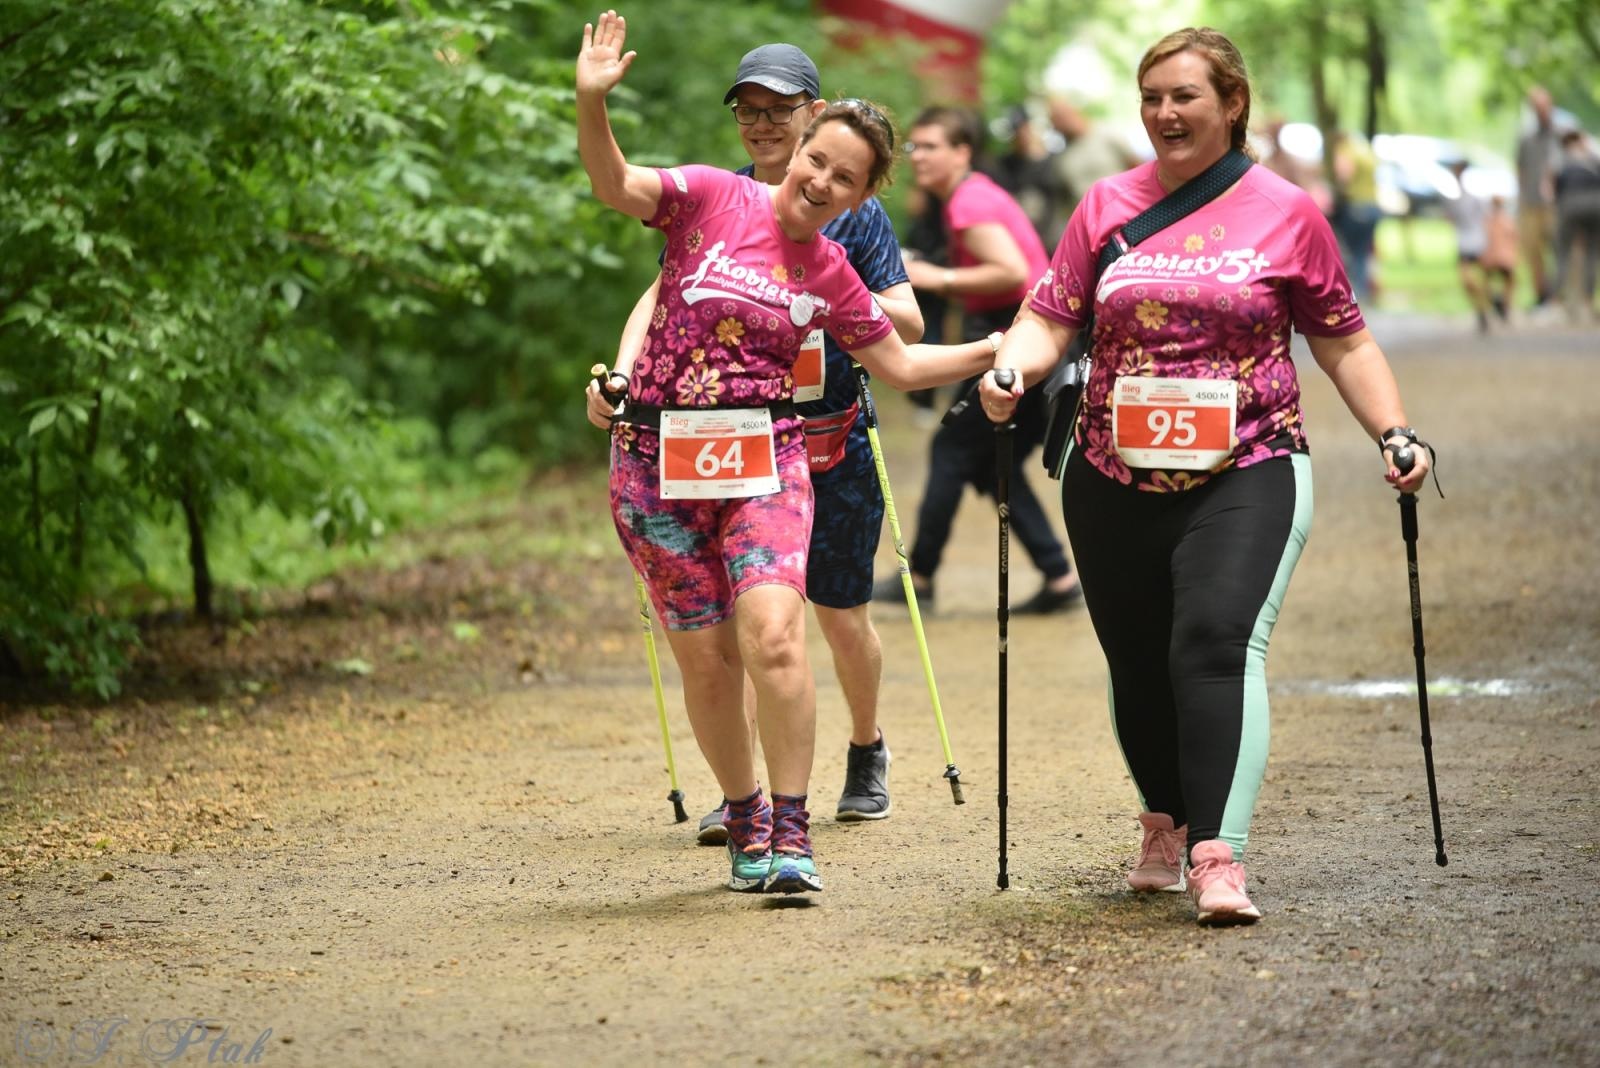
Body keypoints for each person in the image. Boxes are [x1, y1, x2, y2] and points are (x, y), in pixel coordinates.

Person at [977, 26, 1432, 926]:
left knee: (1215, 641)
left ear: (1231, 105)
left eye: (1184, 95)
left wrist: (1395, 431)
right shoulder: (1105, 203)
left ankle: (1219, 854)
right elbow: (1049, 316)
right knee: (1137, 659)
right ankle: (1165, 822)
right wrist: (1011, 372)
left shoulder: (1288, 211)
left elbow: (1343, 340)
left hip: (1248, 463)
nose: (1164, 112)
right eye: (1151, 97)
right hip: (1110, 471)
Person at [575, 10, 1000, 895]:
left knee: (776, 634)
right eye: (816, 163)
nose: (818, 179)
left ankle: (793, 827)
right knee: (706, 658)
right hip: (656, 460)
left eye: (843, 178)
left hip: (770, 456)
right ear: (798, 151)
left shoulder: (835, 267)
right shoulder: (707, 196)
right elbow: (615, 188)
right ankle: (744, 812)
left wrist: (1010, 347)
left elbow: (903, 359)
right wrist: (592, 102)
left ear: (859, 196)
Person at [875, 105, 1082, 616]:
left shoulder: (969, 201)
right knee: (993, 466)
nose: (917, 156)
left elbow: (1013, 273)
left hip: (1027, 351)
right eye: (913, 147)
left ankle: (919, 578)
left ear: (962, 152)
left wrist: (928, 276)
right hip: (1031, 348)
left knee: (951, 448)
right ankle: (1058, 577)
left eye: (930, 146)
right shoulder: (968, 197)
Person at [1515, 86, 1562, 307]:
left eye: (1544, 106)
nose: (1541, 111)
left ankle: (1560, 293)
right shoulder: (1526, 139)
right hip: (1531, 203)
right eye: (1537, 107)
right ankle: (1541, 295)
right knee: (1533, 251)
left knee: (1560, 248)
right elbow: (1520, 171)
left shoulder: (1562, 134)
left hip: (1556, 204)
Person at [1441, 159, 1497, 334]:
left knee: (1483, 276)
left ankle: (1488, 304)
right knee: (1467, 279)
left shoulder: (1475, 192)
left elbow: (1487, 216)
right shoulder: (1454, 195)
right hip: (1464, 240)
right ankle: (1483, 306)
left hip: (1478, 239)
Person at [1551, 128, 1600, 323]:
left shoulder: (1561, 158)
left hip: (1570, 203)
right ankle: (1588, 301)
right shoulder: (1593, 155)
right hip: (1596, 203)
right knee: (1592, 253)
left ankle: (1557, 301)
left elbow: (1555, 187)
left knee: (1562, 252)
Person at [1330, 129, 1382, 303]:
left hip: (1355, 207)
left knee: (1349, 252)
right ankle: (1364, 291)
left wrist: (1338, 190)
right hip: (1373, 205)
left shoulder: (1344, 150)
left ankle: (1353, 294)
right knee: (1364, 251)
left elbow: (1344, 174)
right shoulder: (1365, 149)